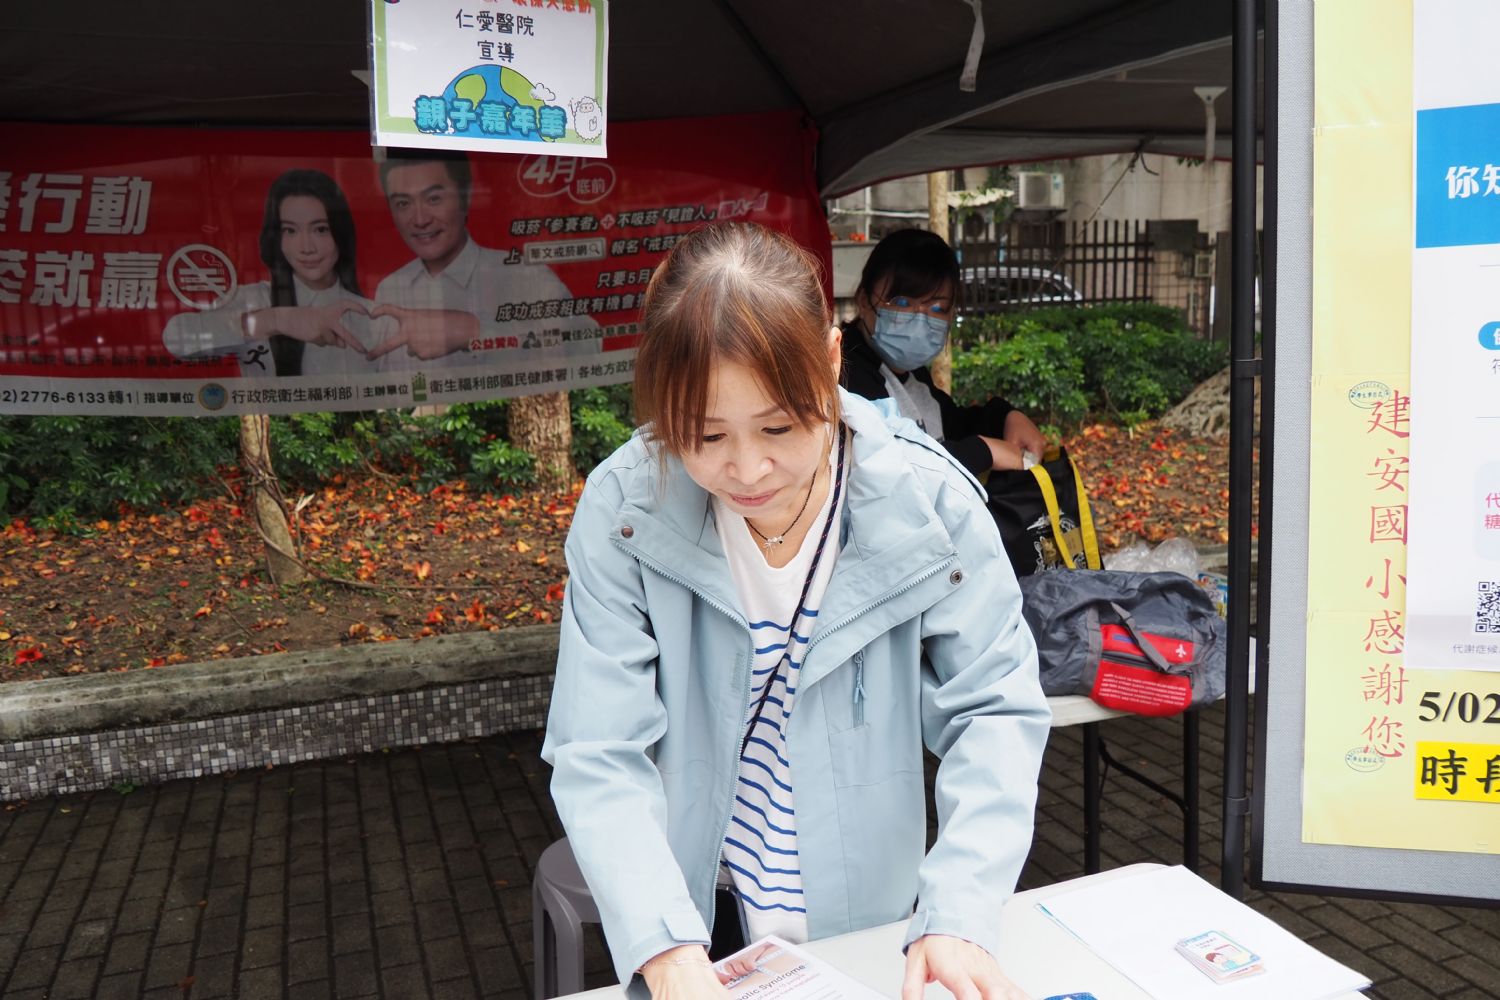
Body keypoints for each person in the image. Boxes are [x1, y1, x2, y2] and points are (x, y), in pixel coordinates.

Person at [543, 222, 1050, 1000]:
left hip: (874, 924)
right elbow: (598, 747)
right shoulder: (626, 508)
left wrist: (957, 912)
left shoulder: (929, 503)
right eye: (703, 434)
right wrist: (665, 946)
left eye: (779, 426)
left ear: (833, 359)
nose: (748, 469)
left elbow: (994, 709)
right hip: (691, 906)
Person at [840, 229, 1046, 478]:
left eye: (938, 308)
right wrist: (983, 451)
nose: (920, 318)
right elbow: (890, 462)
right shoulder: (845, 372)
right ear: (864, 300)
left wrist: (1005, 416)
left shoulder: (913, 376)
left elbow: (951, 424)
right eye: (902, 303)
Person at [367, 149, 596, 367]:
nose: (420, 219)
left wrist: (475, 331)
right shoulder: (390, 288)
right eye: (403, 204)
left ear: (466, 197)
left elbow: (588, 345)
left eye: (434, 199)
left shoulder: (524, 274)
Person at [162, 169, 386, 377]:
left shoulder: (373, 316)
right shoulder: (251, 298)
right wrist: (275, 320)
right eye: (290, 230)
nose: (306, 247)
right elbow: (176, 338)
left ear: (340, 232)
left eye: (320, 229)